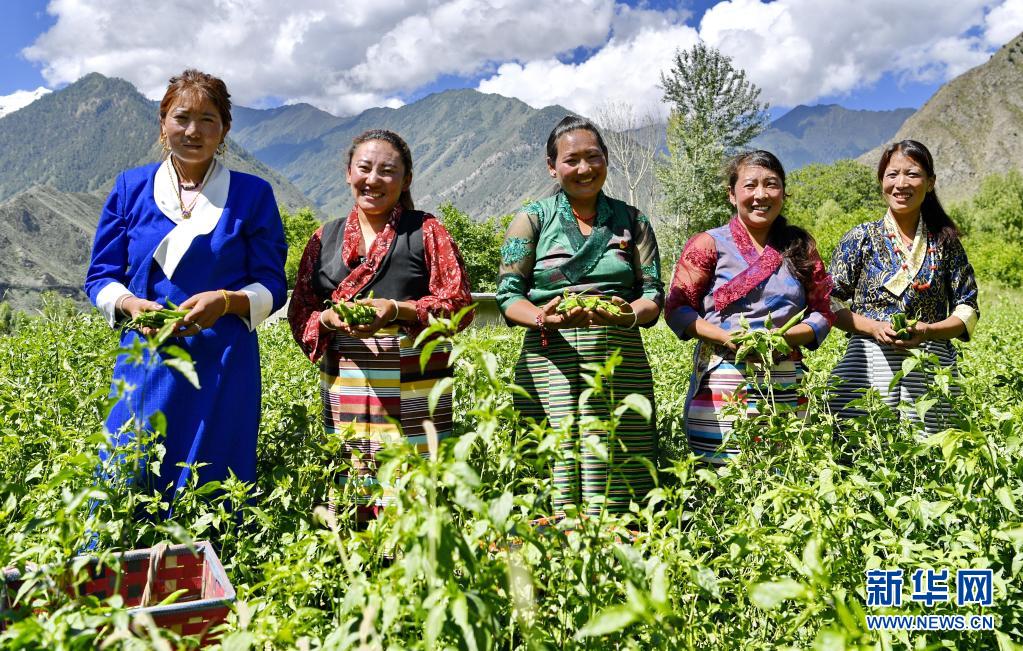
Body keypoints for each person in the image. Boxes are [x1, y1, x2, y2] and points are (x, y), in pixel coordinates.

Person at [84, 69, 288, 500]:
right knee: (129, 468)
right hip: (147, 355)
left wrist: (227, 301)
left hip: (224, 359)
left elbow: (272, 284)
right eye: (182, 118)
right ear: (163, 124)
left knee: (215, 476)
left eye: (207, 119)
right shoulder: (131, 189)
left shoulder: (252, 195)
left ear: (225, 129)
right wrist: (131, 305)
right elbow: (101, 276)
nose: (193, 131)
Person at [288, 129, 473, 521]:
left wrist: (397, 310)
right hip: (346, 387)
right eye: (364, 168)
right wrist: (327, 318)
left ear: (406, 180)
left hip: (415, 384)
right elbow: (301, 309)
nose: (373, 179)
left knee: (414, 495)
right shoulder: (324, 237)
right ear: (348, 173)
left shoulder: (427, 232)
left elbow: (459, 304)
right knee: (352, 489)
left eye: (387, 171)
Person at [496, 116, 663, 517]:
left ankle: (623, 544)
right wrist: (543, 317)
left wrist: (626, 314)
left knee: (622, 464)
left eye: (593, 157)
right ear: (552, 167)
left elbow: (653, 295)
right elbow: (508, 296)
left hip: (619, 361)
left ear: (606, 159)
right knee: (552, 464)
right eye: (572, 160)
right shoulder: (532, 219)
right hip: (550, 358)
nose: (584, 168)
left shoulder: (632, 221)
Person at [664, 150, 834, 465]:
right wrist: (726, 338)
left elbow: (824, 311)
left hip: (786, 376)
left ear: (783, 192)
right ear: (732, 194)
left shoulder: (800, 247)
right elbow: (677, 308)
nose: (761, 195)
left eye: (771, 184)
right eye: (750, 185)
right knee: (722, 477)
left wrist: (782, 339)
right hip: (722, 378)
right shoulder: (708, 244)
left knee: (786, 477)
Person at [828, 140, 979, 433]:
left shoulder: (945, 242)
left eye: (912, 174)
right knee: (863, 448)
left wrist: (929, 331)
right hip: (866, 362)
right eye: (892, 174)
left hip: (930, 361)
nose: (901, 184)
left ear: (930, 183)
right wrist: (872, 327)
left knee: (931, 450)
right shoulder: (861, 238)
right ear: (881, 181)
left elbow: (968, 308)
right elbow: (828, 301)